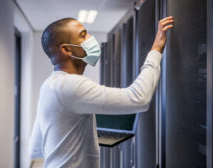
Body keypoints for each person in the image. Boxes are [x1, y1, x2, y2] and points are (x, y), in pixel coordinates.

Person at [28, 16, 173, 168]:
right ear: (66, 49)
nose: (91, 38)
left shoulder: (49, 85)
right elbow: (139, 98)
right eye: (83, 35)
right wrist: (156, 50)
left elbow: (35, 148)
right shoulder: (70, 85)